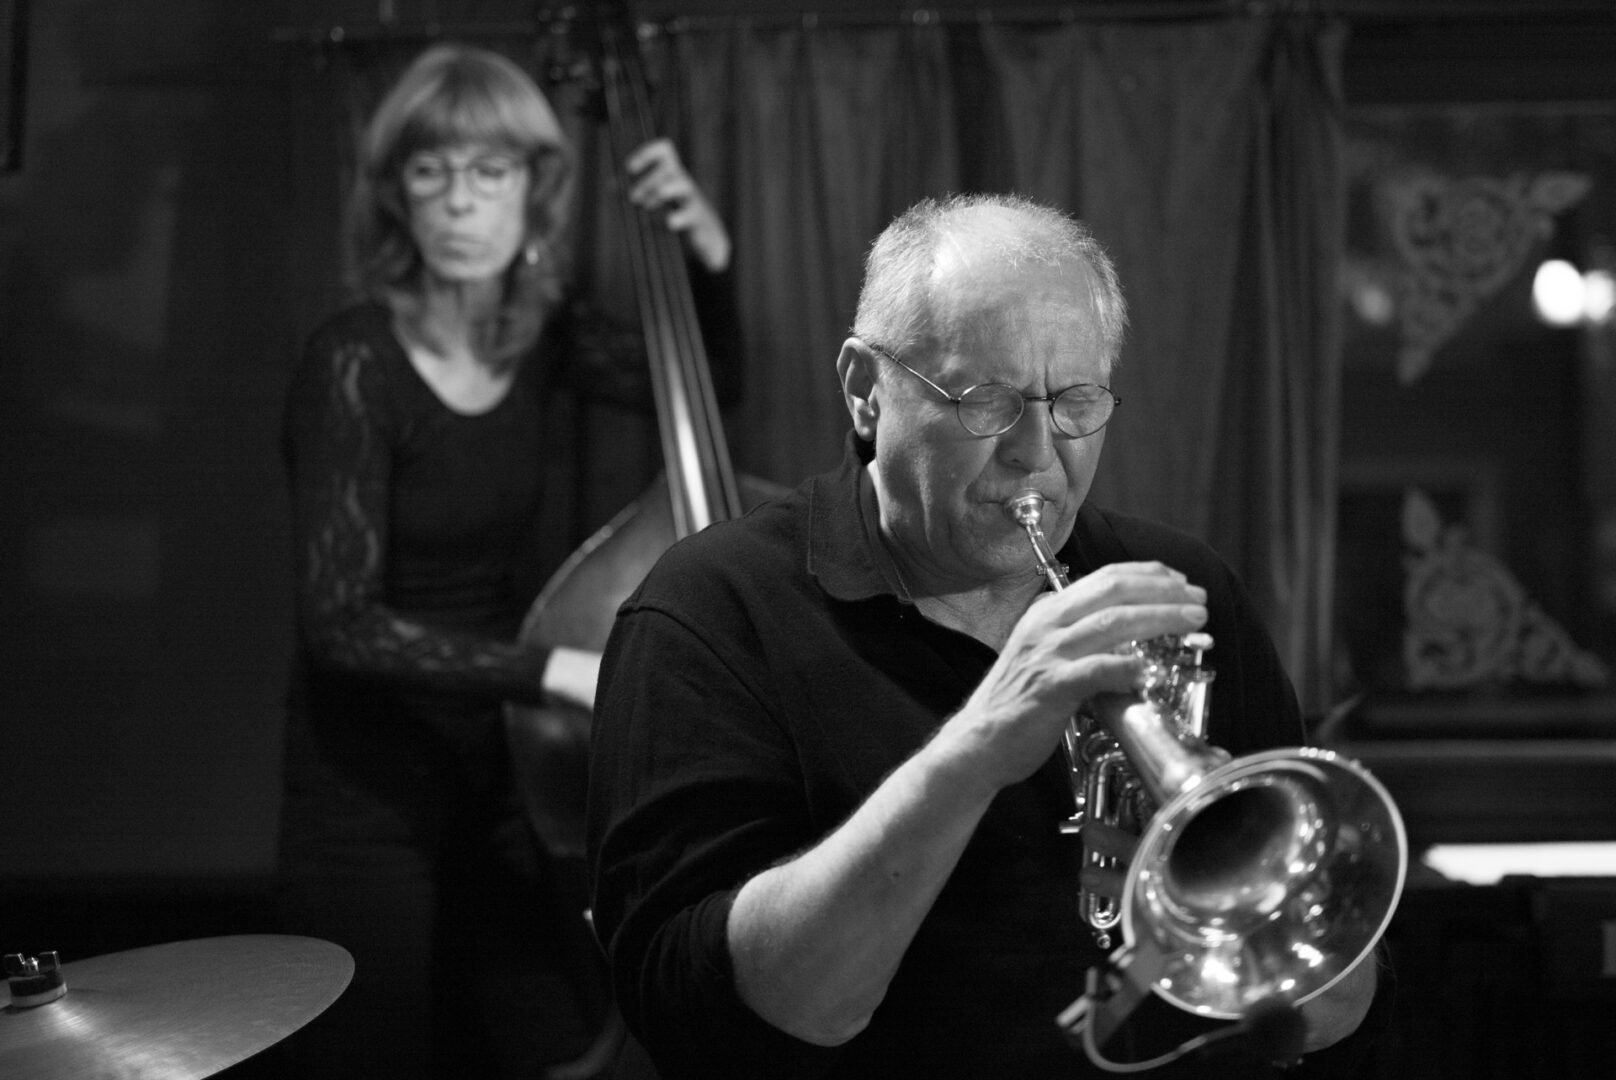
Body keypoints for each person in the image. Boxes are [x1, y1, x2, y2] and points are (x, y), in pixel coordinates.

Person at [586, 193, 1394, 1079]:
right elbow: (705, 1016)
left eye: (1076, 400)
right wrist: (978, 745)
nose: (1037, 452)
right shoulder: (709, 611)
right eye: (987, 399)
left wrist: (1230, 883)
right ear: (866, 391)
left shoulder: (1179, 589)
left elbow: (1332, 1010)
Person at [276, 42, 735, 1080]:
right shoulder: (352, 360)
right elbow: (339, 626)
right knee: (369, 1051)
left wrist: (704, 254)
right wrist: (559, 670)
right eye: (429, 171)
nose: (458, 202)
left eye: (489, 172)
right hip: (363, 789)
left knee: (555, 1042)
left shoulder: (540, 338)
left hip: (500, 776)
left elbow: (707, 381)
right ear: (395, 195)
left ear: (536, 190)